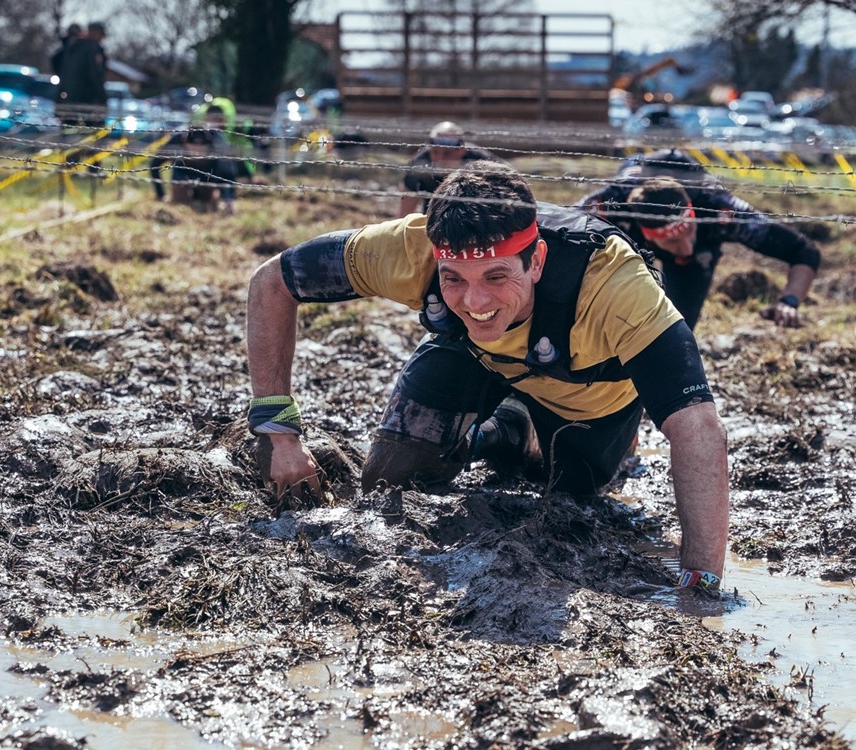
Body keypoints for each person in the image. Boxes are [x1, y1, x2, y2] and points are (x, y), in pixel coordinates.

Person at [246, 161, 730, 595]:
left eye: (496, 277)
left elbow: (697, 428)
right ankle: (498, 426)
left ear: (536, 260)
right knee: (388, 485)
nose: (476, 301)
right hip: (471, 356)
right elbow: (272, 281)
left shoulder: (613, 283)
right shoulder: (409, 248)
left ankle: (514, 429)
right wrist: (278, 432)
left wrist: (700, 581)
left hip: (588, 396)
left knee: (568, 495)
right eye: (453, 278)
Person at [576, 149, 821, 330]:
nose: (685, 247)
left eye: (687, 232)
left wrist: (789, 301)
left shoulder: (719, 209)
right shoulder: (612, 204)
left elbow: (804, 251)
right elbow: (560, 229)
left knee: (679, 327)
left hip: (702, 236)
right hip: (629, 231)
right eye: (673, 242)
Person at [397, 121, 504, 217]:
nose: (440, 159)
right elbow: (407, 203)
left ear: (461, 151)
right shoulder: (420, 163)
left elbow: (506, 185)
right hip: (432, 219)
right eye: (435, 152)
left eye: (447, 153)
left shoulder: (480, 161)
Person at [149, 105, 239, 213]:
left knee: (207, 201)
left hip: (208, 175)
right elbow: (154, 164)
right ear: (184, 142)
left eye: (202, 145)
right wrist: (160, 194)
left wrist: (228, 199)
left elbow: (228, 173)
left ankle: (207, 197)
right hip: (182, 172)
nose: (197, 149)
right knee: (179, 199)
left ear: (209, 144)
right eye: (193, 145)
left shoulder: (218, 143)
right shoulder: (176, 140)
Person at [56, 21, 108, 128]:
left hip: (68, 101)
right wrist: (102, 100)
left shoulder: (72, 46)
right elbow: (95, 76)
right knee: (89, 133)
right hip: (87, 102)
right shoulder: (91, 49)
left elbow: (57, 62)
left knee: (68, 131)